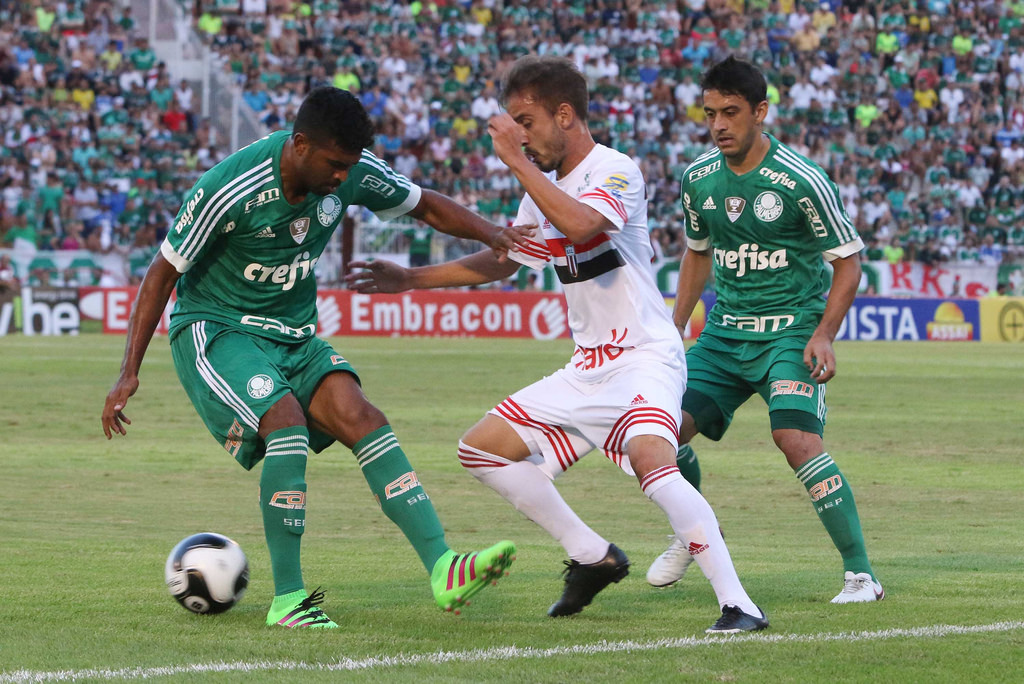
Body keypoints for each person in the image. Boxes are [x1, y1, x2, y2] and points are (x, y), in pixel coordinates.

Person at [347, 56, 768, 634]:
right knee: (481, 450)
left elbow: (583, 227)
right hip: (587, 367)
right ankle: (595, 557)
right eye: (513, 124)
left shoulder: (616, 169)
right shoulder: (540, 189)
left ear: (564, 115)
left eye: (526, 120)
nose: (519, 133)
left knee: (653, 462)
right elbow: (503, 260)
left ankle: (739, 605)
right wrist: (412, 279)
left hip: (645, 355)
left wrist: (516, 161)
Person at [100, 87, 525, 629]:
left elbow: (426, 205)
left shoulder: (351, 171)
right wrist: (128, 371)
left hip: (294, 333)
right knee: (287, 424)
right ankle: (289, 600)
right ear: (300, 145)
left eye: (349, 167)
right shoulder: (227, 188)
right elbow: (162, 272)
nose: (341, 178)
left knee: (363, 417)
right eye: (334, 165)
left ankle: (443, 565)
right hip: (217, 328)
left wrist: (494, 233)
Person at [645, 57, 884, 605]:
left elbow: (849, 261)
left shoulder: (801, 180)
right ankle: (696, 533)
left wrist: (824, 333)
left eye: (731, 112)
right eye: (710, 114)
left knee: (795, 439)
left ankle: (861, 576)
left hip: (789, 332)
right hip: (725, 335)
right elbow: (697, 254)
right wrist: (674, 326)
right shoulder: (698, 178)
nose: (719, 124)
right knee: (660, 435)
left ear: (761, 112)